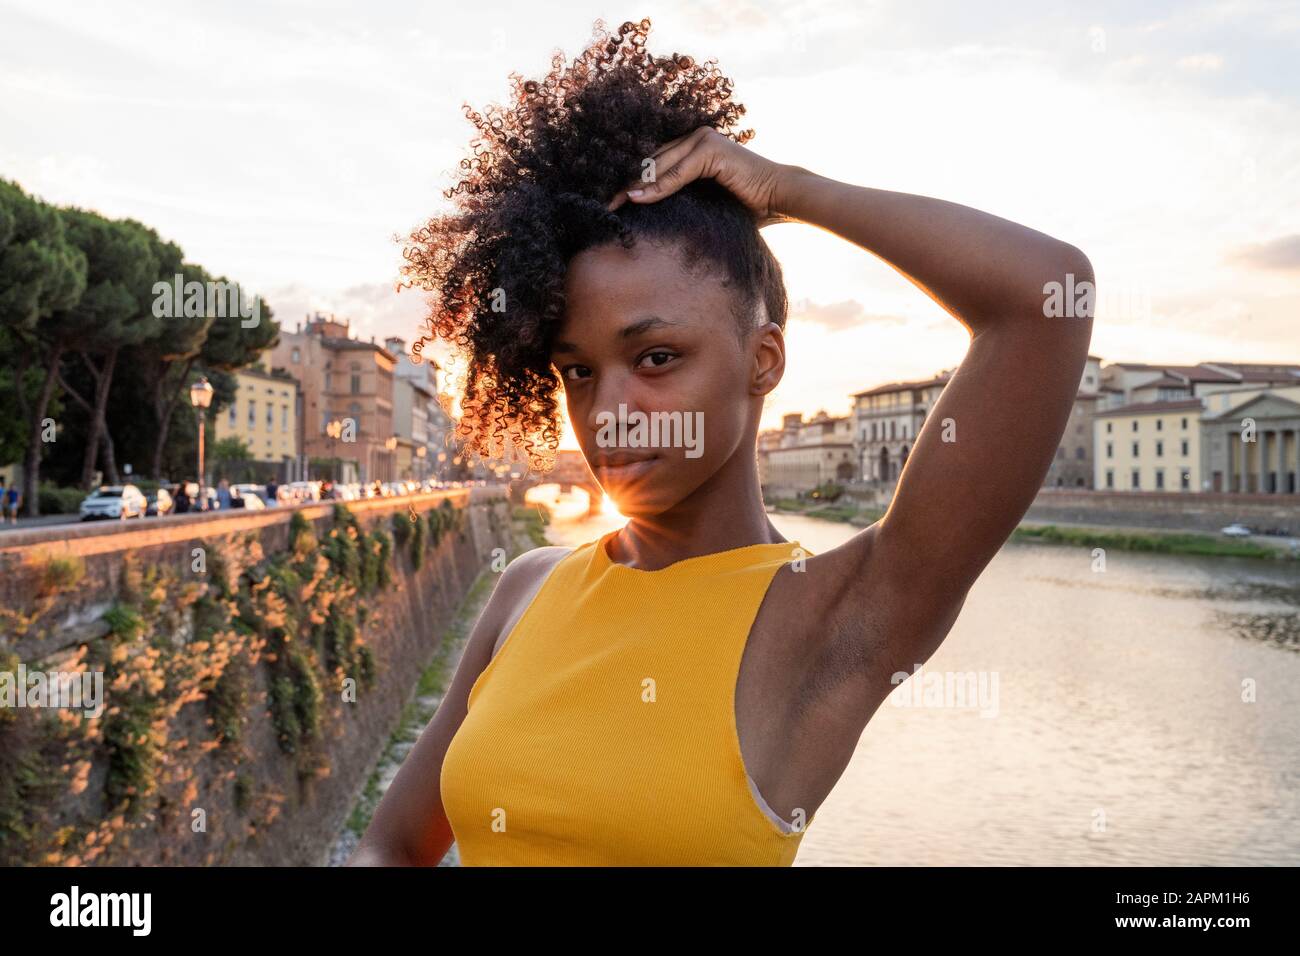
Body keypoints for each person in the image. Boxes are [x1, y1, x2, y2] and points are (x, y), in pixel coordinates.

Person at [349, 19, 1092, 867]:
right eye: (578, 371)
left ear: (763, 360)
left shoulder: (837, 616)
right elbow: (393, 846)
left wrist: (783, 188)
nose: (611, 410)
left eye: (656, 357)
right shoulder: (527, 587)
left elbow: (1048, 295)